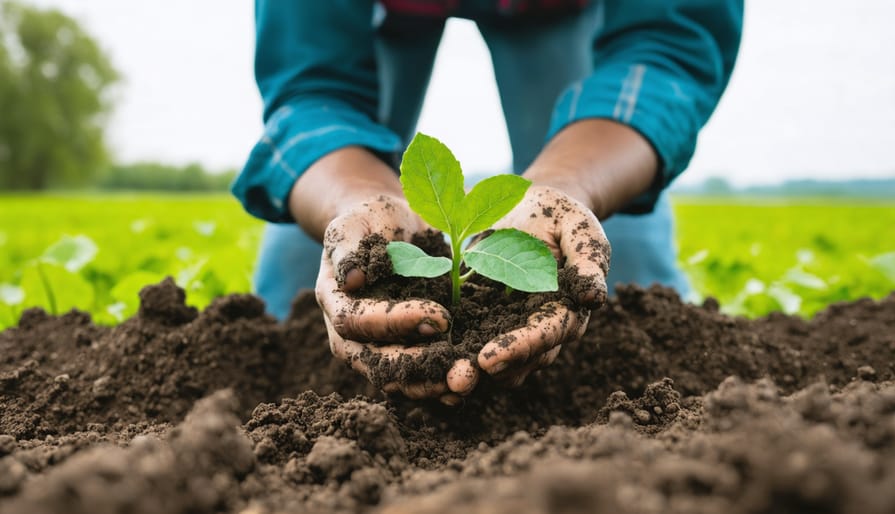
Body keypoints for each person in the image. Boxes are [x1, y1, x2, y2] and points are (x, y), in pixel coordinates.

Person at [232, 0, 742, 404]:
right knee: (331, 261)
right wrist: (355, 200)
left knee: (609, 257)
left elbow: (667, 46)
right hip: (385, 10)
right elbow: (311, 83)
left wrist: (567, 186)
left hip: (551, 5)